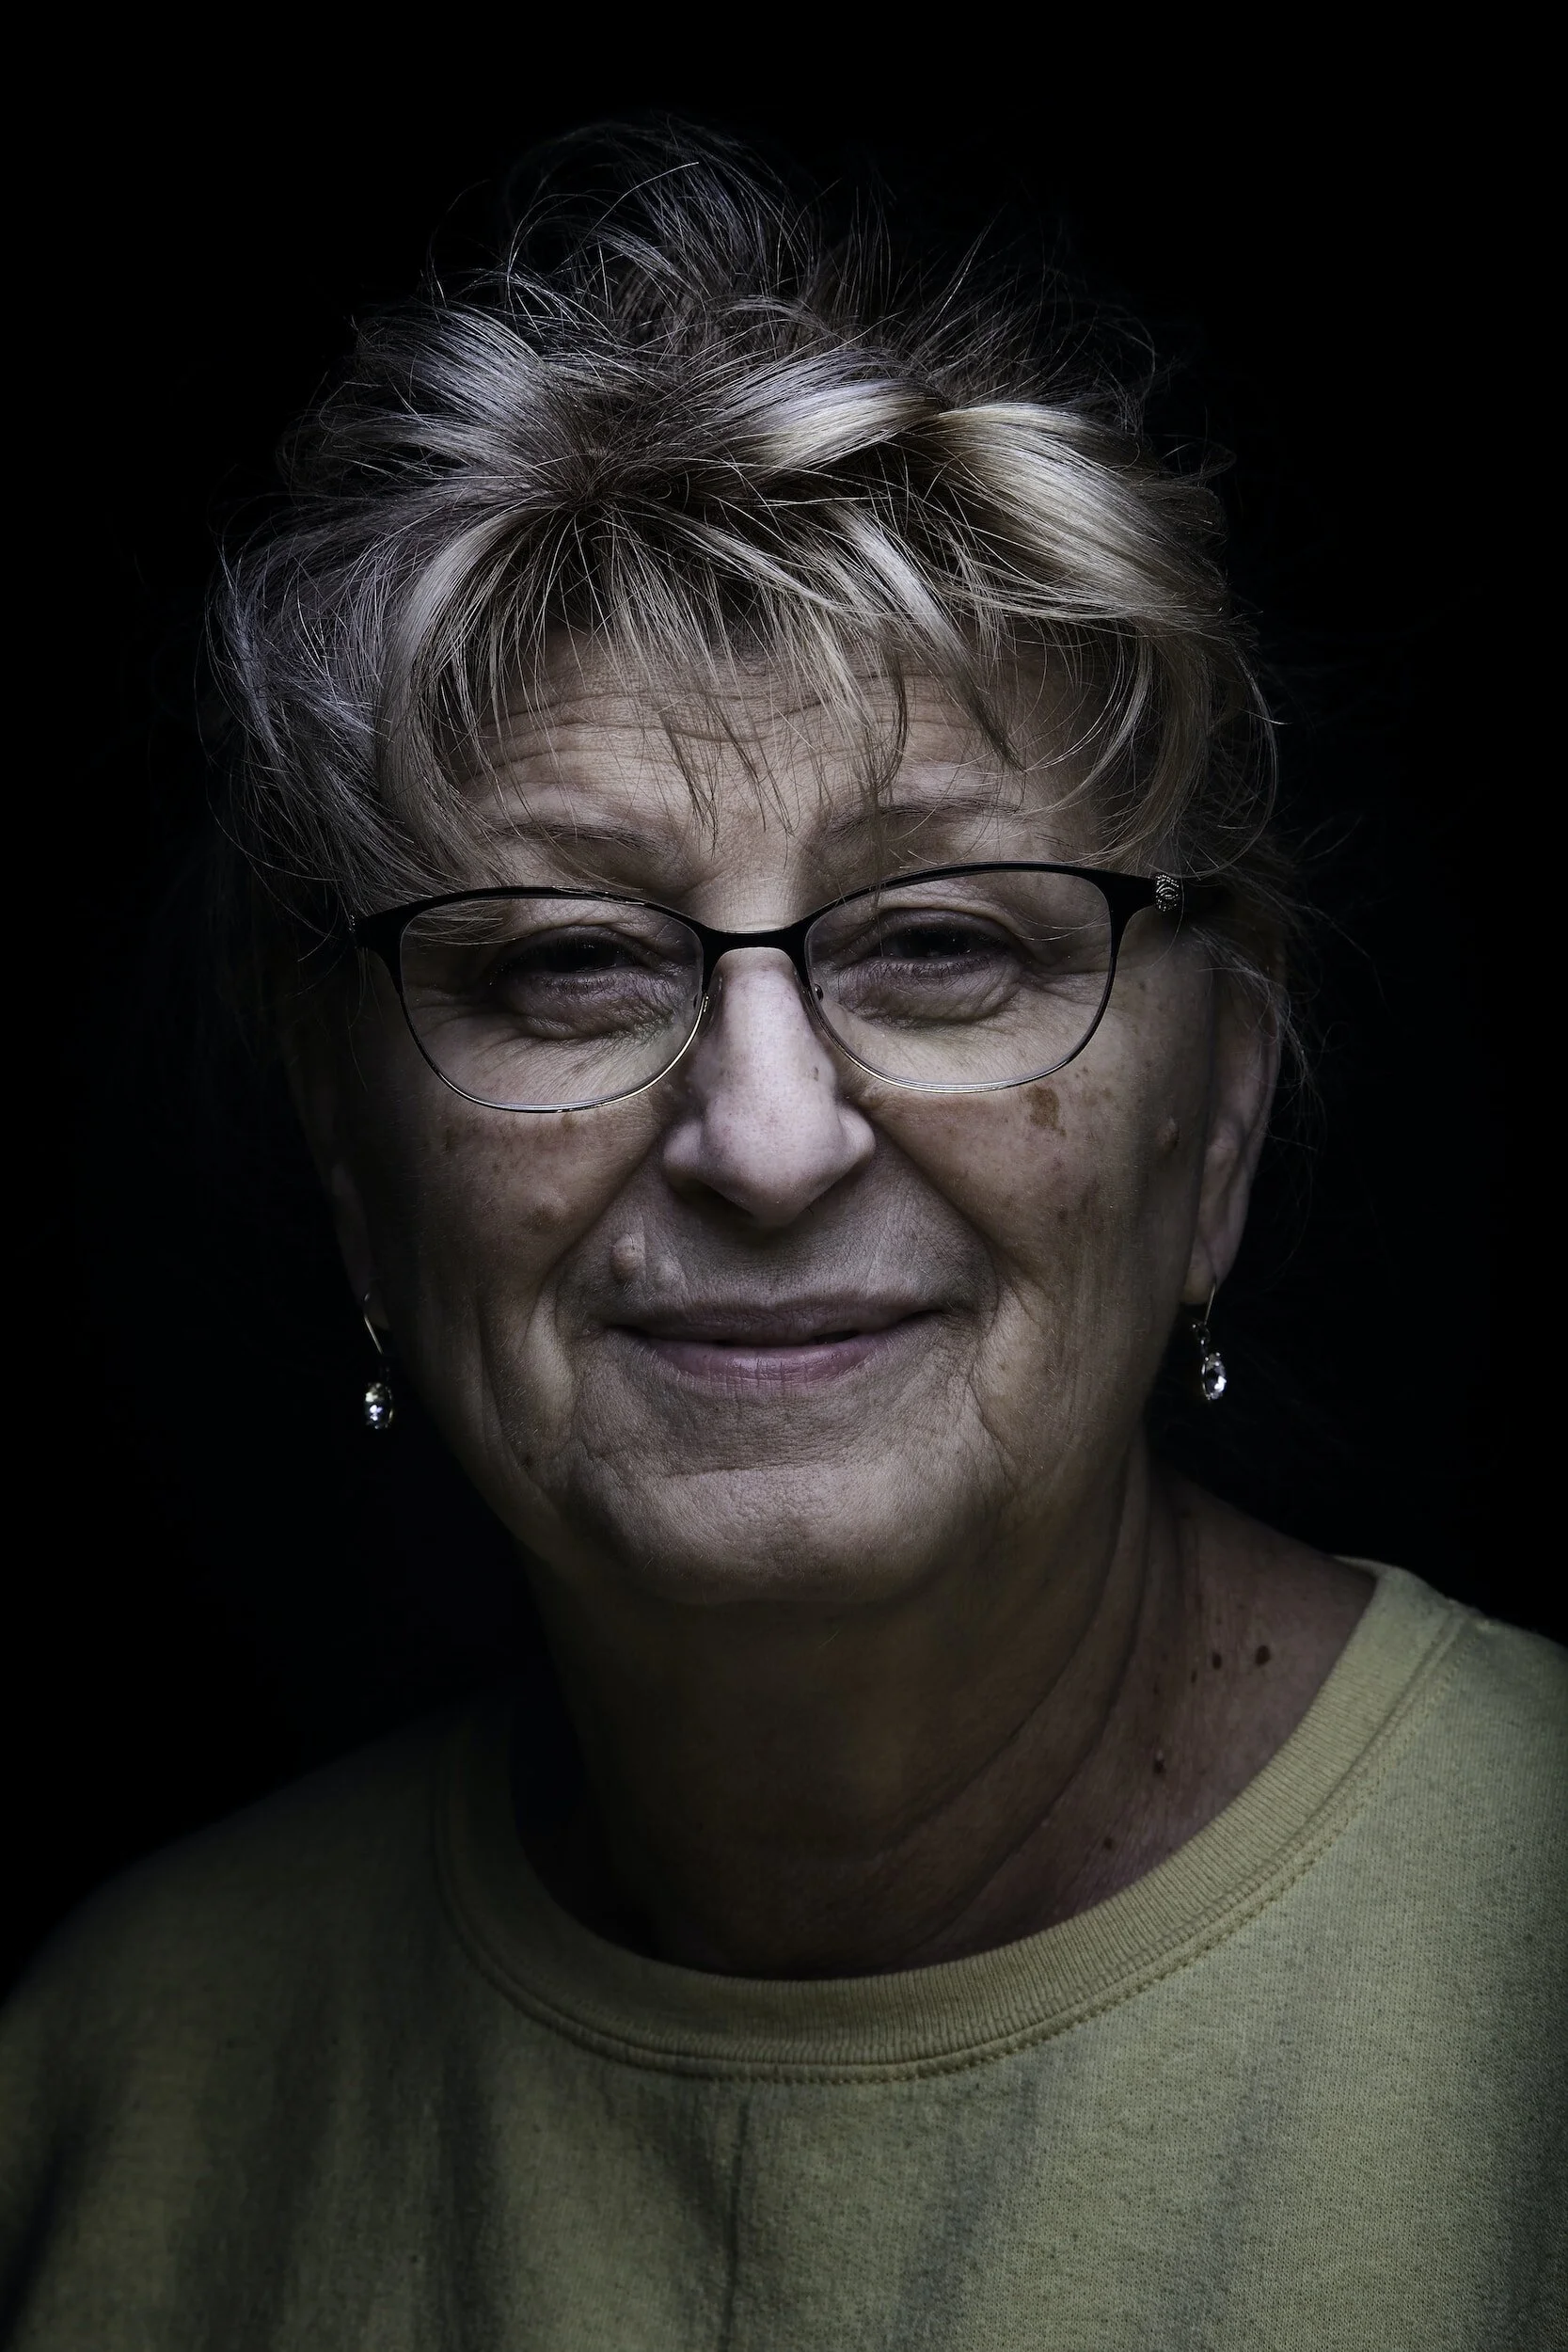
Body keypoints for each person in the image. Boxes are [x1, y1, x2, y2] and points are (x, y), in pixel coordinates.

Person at [3, 132, 1561, 2350]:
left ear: (1212, 1115)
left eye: (939, 944)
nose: (760, 1134)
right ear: (353, 1158)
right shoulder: (111, 2087)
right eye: (561, 964)